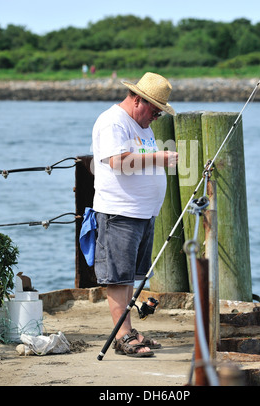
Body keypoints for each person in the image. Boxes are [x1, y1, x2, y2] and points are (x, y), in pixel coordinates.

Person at [92, 72, 178, 357]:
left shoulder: (141, 124)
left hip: (141, 213)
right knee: (117, 278)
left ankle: (128, 331)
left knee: (129, 276)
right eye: (154, 111)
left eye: (159, 114)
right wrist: (161, 157)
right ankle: (123, 336)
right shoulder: (113, 122)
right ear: (138, 100)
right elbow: (117, 162)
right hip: (120, 212)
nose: (155, 117)